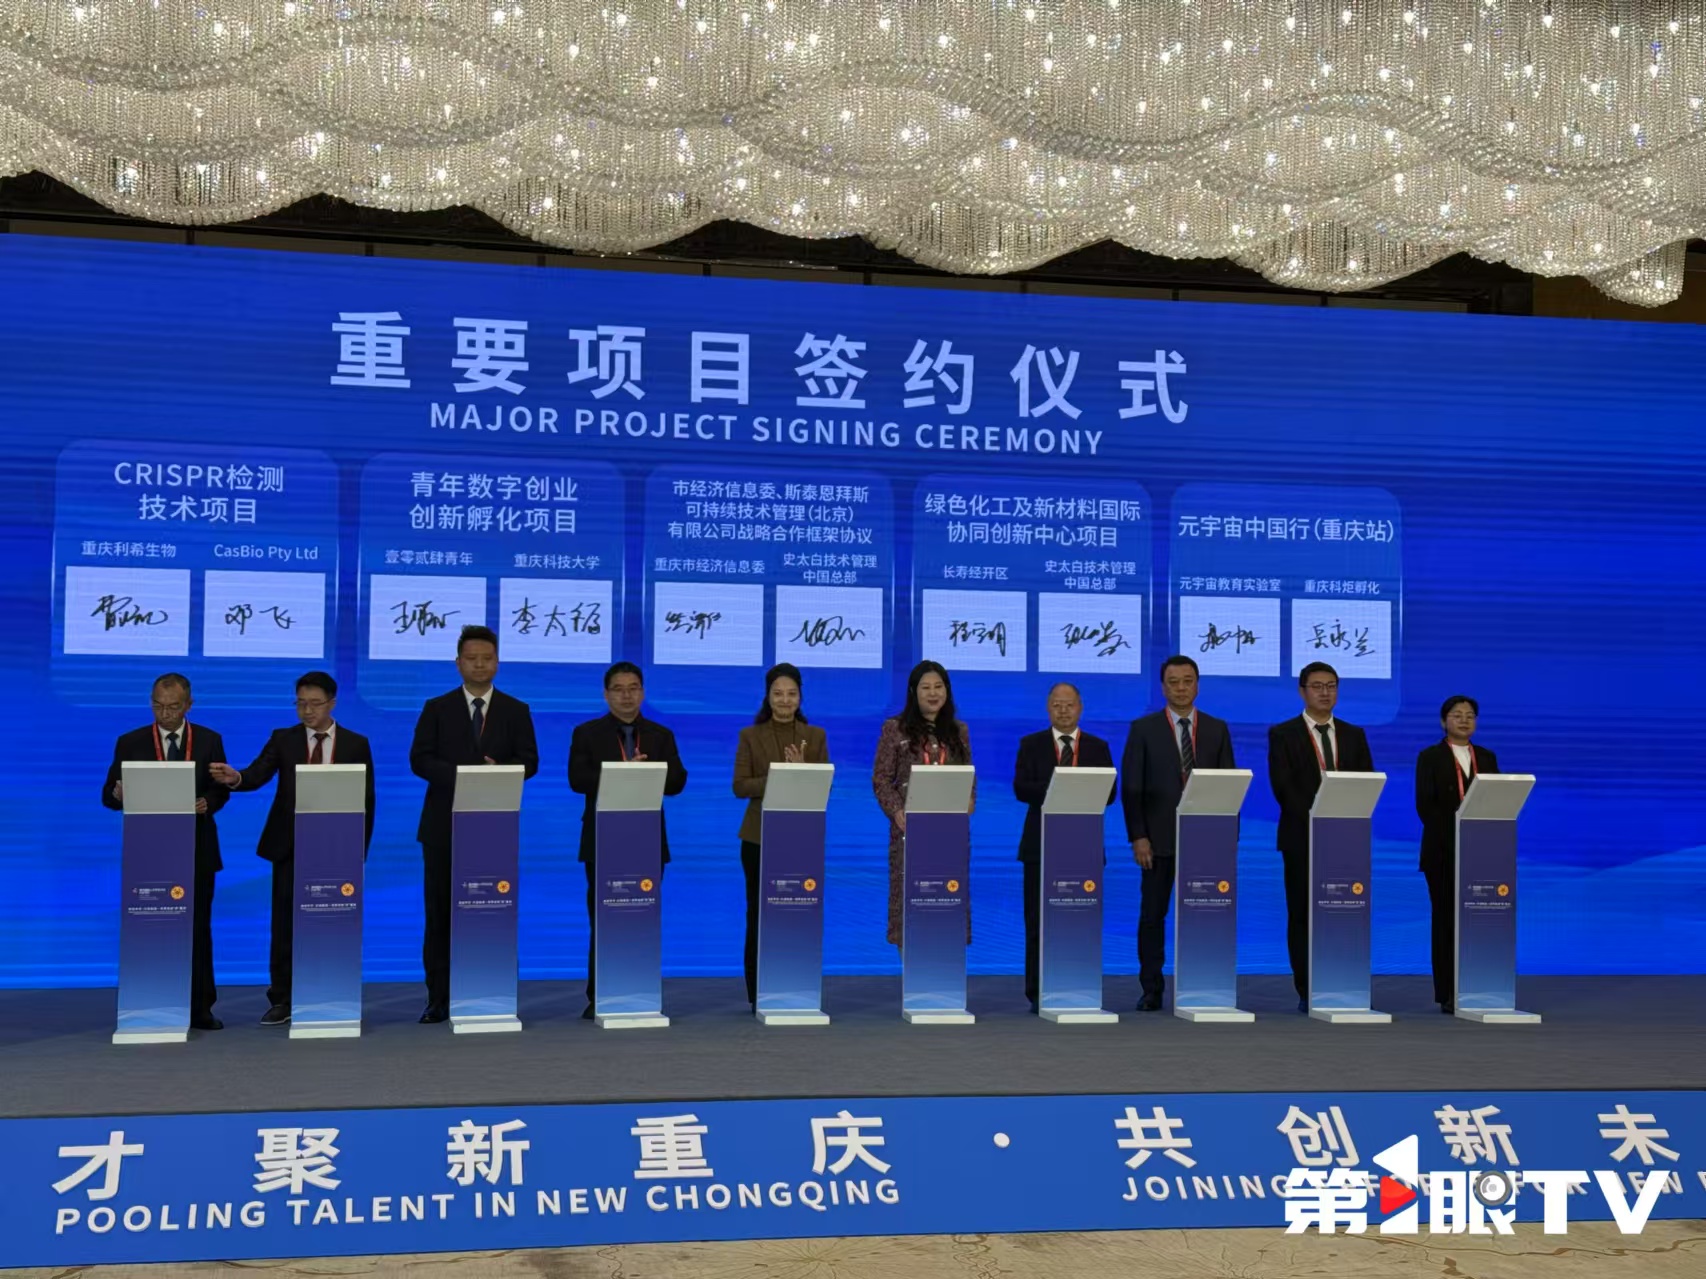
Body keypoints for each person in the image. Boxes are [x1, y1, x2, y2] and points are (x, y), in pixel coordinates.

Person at [210, 672, 376, 1026]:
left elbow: (367, 799)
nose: (307, 711)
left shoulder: (355, 744)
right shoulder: (283, 739)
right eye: (300, 703)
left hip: (337, 849)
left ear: (332, 703)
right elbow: (256, 774)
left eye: (314, 704)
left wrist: (358, 851)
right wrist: (235, 778)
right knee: (285, 925)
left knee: (334, 922)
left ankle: (333, 992)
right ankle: (283, 998)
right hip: (290, 845)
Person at [408, 625, 538, 1024]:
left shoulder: (516, 709)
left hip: (494, 828)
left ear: (497, 662)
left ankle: (491, 990)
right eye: (471, 659)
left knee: (491, 910)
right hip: (442, 827)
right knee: (440, 914)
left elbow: (530, 762)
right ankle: (439, 997)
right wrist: (464, 775)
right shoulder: (437, 707)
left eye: (487, 658)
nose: (479, 665)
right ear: (458, 663)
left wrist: (500, 771)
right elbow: (420, 759)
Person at [102, 673, 229, 1030]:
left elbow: (221, 790)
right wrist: (117, 794)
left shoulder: (209, 739)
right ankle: (147, 1001)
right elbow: (108, 794)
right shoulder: (130, 742)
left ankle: (200, 1008)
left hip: (197, 848)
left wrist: (208, 802)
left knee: (197, 929)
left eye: (173, 707)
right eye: (158, 706)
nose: (165, 713)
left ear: (189, 705)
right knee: (150, 928)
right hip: (148, 853)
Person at [568, 661, 688, 1017]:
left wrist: (646, 773)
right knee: (603, 919)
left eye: (633, 688)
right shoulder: (586, 733)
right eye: (618, 689)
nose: (626, 696)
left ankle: (641, 991)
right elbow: (577, 779)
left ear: (643, 693)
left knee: (641, 917)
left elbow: (678, 781)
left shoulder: (661, 735)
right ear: (606, 695)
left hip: (647, 839)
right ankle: (600, 995)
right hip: (603, 838)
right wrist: (622, 773)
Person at [1120, 655, 1236, 1011]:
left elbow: (1229, 786)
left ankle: (1203, 984)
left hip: (1206, 842)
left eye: (1188, 681)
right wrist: (1138, 836)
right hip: (1157, 842)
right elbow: (1131, 789)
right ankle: (1151, 989)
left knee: (1206, 916)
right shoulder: (1144, 728)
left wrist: (1227, 838)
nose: (1181, 688)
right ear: (1163, 687)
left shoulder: (1217, 729)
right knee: (1152, 917)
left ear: (1197, 685)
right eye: (1174, 682)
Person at [1268, 661, 1374, 1011]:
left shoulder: (1354, 735)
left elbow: (1366, 782)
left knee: (1344, 912)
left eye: (1331, 686)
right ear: (1302, 691)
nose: (1325, 692)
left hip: (1346, 840)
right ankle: (1307, 988)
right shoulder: (1283, 734)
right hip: (1302, 838)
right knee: (1302, 914)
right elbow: (1284, 788)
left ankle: (1343, 981)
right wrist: (1320, 820)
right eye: (1317, 686)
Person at [732, 663, 830, 1009]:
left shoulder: (815, 736)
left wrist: (804, 773)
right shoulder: (750, 735)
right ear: (768, 696)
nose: (785, 700)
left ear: (800, 697)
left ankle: (797, 986)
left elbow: (824, 787)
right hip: (758, 838)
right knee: (760, 915)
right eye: (778, 694)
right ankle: (758, 992)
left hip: (801, 839)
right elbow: (740, 786)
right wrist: (783, 775)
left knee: (797, 914)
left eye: (791, 694)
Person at [1013, 682, 1114, 1011]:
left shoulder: (1098, 747)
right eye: (1057, 705)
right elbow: (1021, 788)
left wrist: (1075, 790)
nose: (1063, 711)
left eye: (1069, 704)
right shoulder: (1031, 744)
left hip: (1084, 845)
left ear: (1080, 708)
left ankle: (1080, 986)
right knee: (1038, 921)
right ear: (1048, 708)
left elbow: (1110, 793)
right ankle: (1037, 991)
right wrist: (1065, 788)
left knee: (1080, 920)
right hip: (1040, 845)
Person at [872, 660, 975, 947]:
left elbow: (969, 775)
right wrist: (896, 811)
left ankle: (947, 968)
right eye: (925, 687)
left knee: (948, 899)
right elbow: (881, 779)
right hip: (910, 832)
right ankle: (914, 970)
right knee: (910, 907)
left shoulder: (959, 730)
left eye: (938, 687)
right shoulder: (895, 729)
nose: (933, 693)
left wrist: (970, 798)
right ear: (913, 692)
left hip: (950, 833)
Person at [1415, 695, 1498, 1015]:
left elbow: (1497, 801)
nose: (1464, 720)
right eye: (1457, 715)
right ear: (1443, 721)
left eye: (1470, 715)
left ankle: (1479, 985)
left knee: (1480, 922)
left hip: (1482, 854)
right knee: (1446, 921)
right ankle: (1448, 992)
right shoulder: (1430, 757)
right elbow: (1425, 806)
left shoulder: (1487, 757)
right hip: (1442, 852)